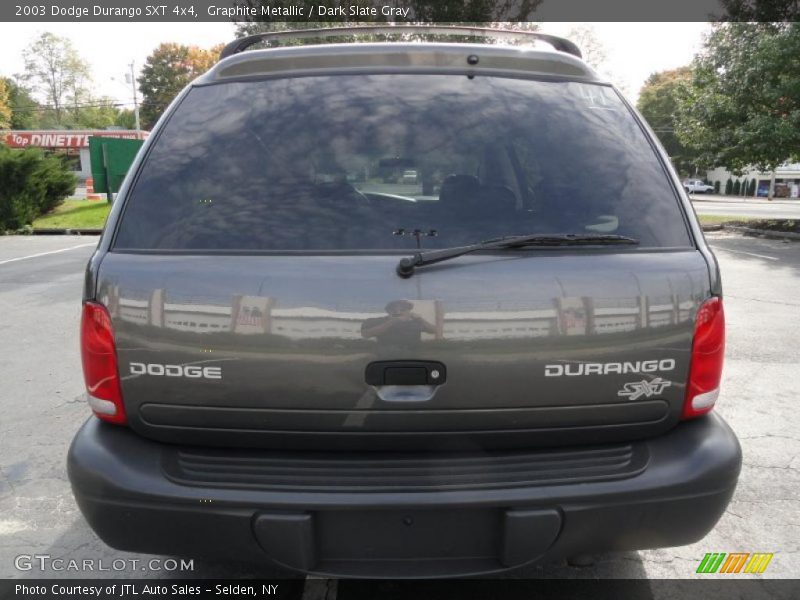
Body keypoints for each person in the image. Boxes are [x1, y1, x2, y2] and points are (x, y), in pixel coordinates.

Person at [361, 300, 436, 346]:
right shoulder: (380, 321)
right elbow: (366, 334)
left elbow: (434, 330)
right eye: (394, 310)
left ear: (409, 311)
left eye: (403, 309)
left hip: (413, 359)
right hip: (386, 358)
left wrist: (420, 319)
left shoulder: (415, 322)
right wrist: (393, 321)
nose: (399, 312)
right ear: (388, 312)